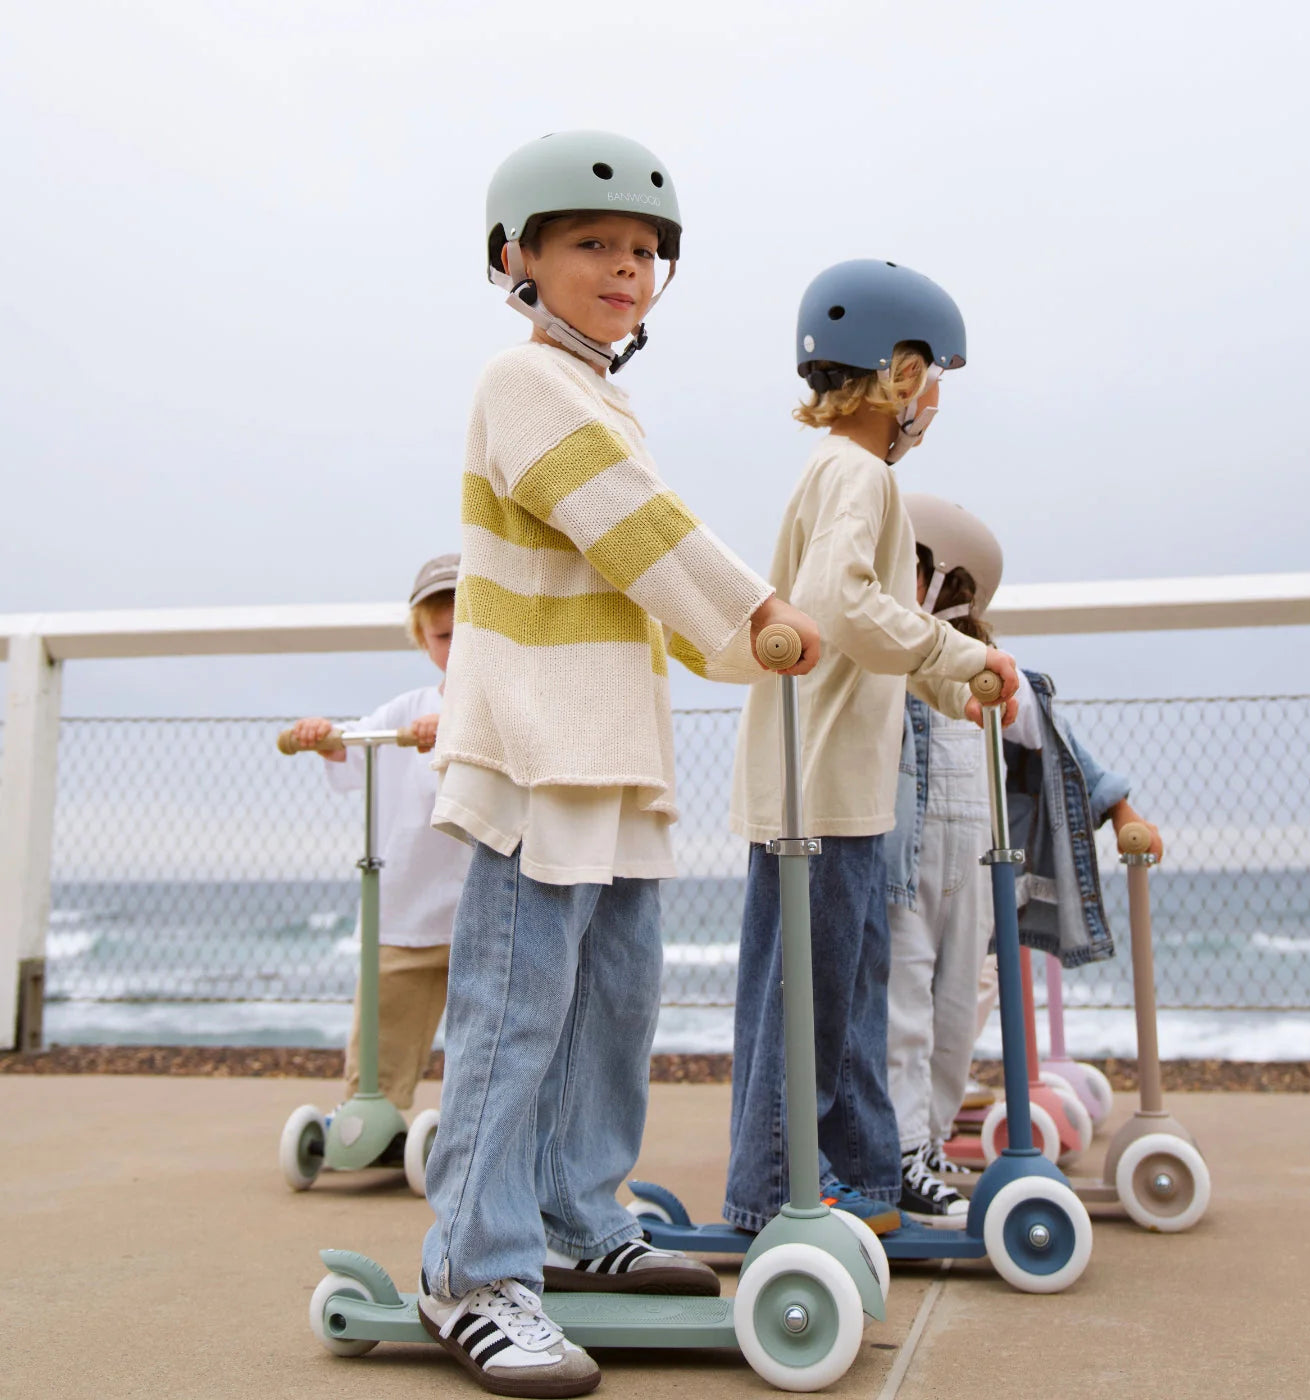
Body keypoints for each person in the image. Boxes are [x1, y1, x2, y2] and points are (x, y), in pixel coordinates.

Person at [416, 130, 820, 1398]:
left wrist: (739, 640)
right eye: (591, 242)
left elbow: (644, 575)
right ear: (516, 258)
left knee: (611, 1011)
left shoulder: (604, 393)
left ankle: (579, 1218)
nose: (625, 265)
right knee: (513, 1012)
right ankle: (472, 1271)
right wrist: (756, 615)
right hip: (537, 746)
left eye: (644, 250)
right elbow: (640, 530)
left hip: (614, 753)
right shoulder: (523, 380)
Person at [725, 259, 1020, 1239]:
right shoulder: (856, 474)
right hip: (818, 793)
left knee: (844, 994)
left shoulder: (849, 477)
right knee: (804, 1003)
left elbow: (867, 621)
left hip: (839, 786)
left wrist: (949, 677)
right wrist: (956, 649)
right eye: (933, 375)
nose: (935, 400)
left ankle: (857, 1180)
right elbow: (843, 604)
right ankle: (771, 1197)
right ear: (898, 372)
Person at [885, 494, 1162, 1217]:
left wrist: (1120, 806)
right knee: (903, 1007)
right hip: (904, 860)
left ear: (944, 581)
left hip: (977, 863)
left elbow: (1064, 753)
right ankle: (903, 1149)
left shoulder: (994, 673)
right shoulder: (887, 664)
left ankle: (931, 1140)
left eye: (909, 567)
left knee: (953, 1015)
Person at [289, 554, 469, 1112]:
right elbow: (352, 750)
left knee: (495, 1040)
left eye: (472, 634)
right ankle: (374, 1121)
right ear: (424, 641)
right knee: (382, 1036)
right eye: (444, 636)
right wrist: (323, 737)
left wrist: (458, 730)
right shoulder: (406, 709)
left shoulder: (506, 709)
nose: (457, 647)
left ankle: (488, 1135)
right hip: (408, 909)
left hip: (485, 909)